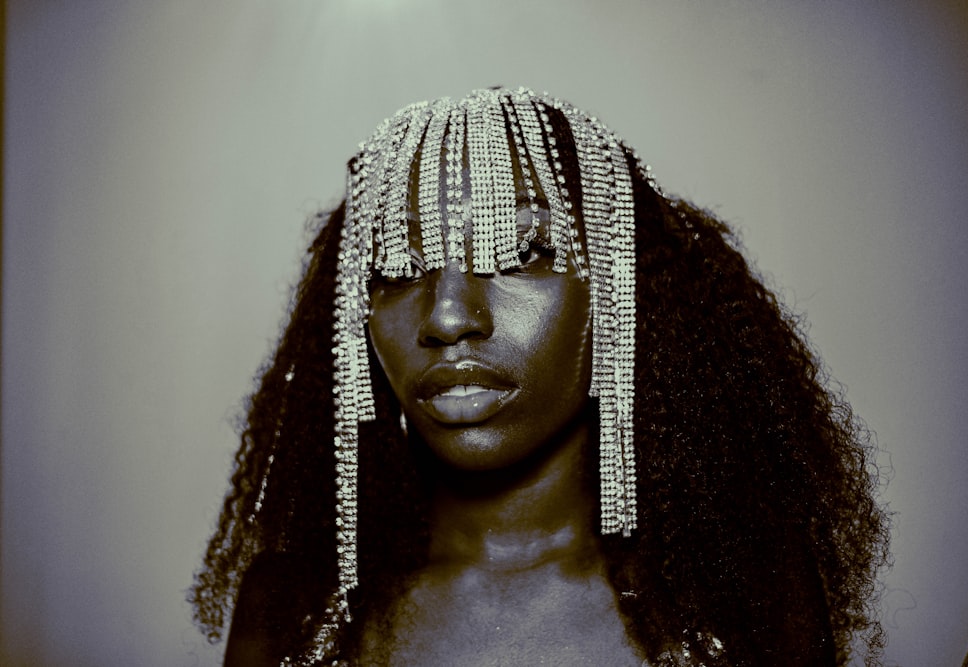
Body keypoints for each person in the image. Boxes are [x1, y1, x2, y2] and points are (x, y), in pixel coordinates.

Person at [190, 87, 890, 666]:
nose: (448, 315)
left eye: (523, 251)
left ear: (620, 292)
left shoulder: (746, 596)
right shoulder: (291, 613)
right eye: (398, 268)